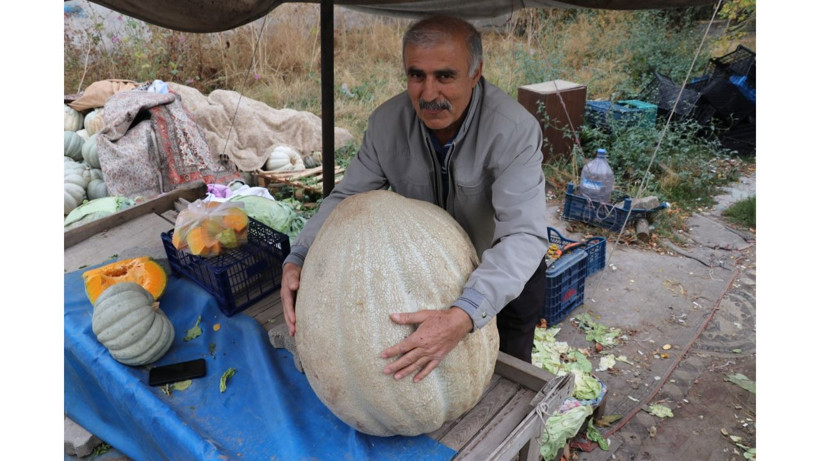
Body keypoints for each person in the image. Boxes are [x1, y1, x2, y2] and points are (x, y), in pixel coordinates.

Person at [280, 14, 550, 383]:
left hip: (505, 272)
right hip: (430, 273)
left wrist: (466, 313)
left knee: (508, 380)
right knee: (443, 380)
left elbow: (524, 235)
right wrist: (298, 257)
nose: (428, 94)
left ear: (476, 73)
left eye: (445, 76)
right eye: (416, 75)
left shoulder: (513, 131)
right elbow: (346, 197)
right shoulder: (386, 125)